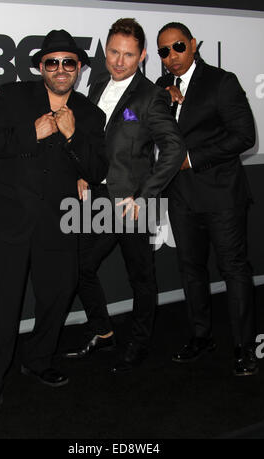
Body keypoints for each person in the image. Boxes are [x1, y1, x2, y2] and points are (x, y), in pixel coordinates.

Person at [0, 29, 108, 422]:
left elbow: (97, 169)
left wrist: (73, 135)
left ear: (79, 69)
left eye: (69, 63)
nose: (61, 69)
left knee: (57, 296)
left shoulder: (90, 114)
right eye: (52, 62)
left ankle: (37, 359)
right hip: (9, 219)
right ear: (40, 67)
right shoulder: (13, 96)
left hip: (59, 223)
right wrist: (34, 132)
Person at [64, 18, 186, 372]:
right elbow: (90, 138)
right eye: (114, 52)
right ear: (106, 52)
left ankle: (140, 342)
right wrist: (81, 173)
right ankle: (104, 332)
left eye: (129, 55)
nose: (119, 61)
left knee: (141, 276)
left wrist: (145, 196)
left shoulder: (151, 96)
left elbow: (175, 149)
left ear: (142, 55)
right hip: (99, 197)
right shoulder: (97, 84)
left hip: (133, 202)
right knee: (79, 265)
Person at [156, 22, 257, 376]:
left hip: (221, 194)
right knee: (191, 270)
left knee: (233, 269)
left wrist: (192, 159)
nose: (172, 57)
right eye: (164, 51)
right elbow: (132, 120)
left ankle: (245, 346)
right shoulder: (160, 87)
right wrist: (160, 101)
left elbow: (245, 136)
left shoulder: (221, 81)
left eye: (178, 46)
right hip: (181, 197)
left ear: (194, 44)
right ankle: (202, 336)